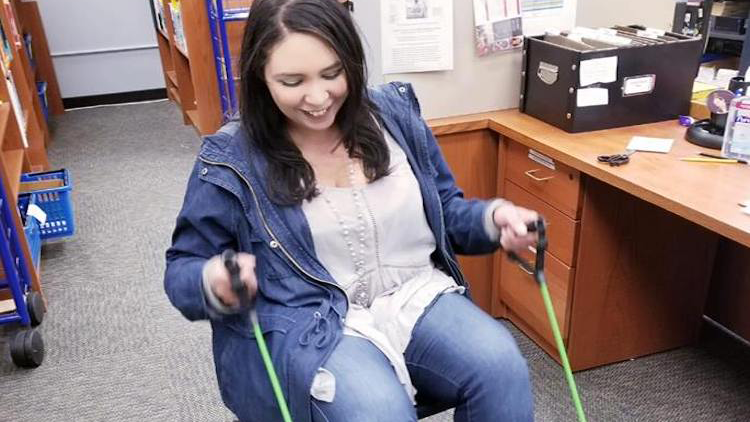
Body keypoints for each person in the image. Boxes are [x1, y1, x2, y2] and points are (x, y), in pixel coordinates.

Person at [164, 0, 537, 421]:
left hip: (413, 295)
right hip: (311, 321)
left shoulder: (393, 115)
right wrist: (211, 281)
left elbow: (446, 212)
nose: (319, 97)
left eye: (332, 74)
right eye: (292, 81)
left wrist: (492, 219)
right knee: (378, 412)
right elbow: (182, 269)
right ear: (259, 76)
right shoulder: (231, 158)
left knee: (502, 368)